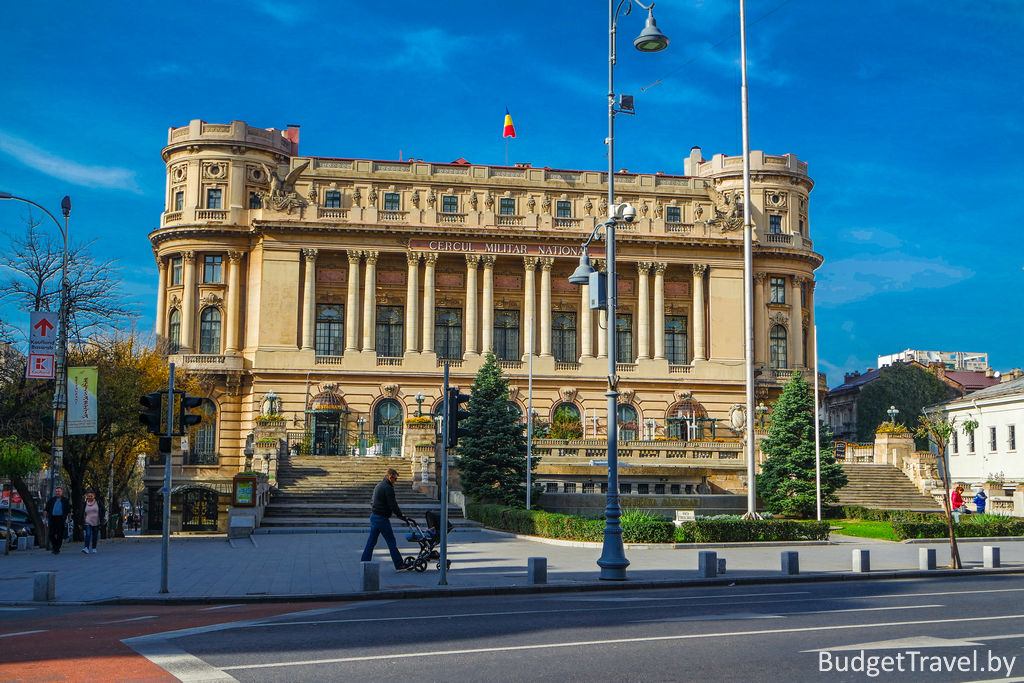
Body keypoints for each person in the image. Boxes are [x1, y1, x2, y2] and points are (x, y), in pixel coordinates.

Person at [360, 468, 410, 571]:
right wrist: (401, 516)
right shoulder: (388, 488)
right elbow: (393, 504)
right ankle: (399, 564)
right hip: (382, 518)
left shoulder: (379, 485)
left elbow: (372, 501)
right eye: (395, 479)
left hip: (374, 516)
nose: (395, 482)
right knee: (391, 541)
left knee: (371, 541)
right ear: (389, 476)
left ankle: (364, 561)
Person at [44, 486, 70, 555]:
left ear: (62, 492)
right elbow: (46, 510)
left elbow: (68, 511)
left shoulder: (65, 500)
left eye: (59, 491)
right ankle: (55, 546)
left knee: (60, 534)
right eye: (56, 491)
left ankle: (57, 549)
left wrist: (69, 519)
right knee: (51, 534)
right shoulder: (51, 500)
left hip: (61, 519)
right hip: (52, 519)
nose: (57, 493)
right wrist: (45, 519)